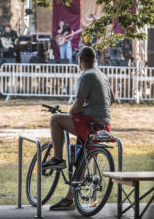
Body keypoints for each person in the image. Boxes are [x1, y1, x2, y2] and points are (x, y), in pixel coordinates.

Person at [41, 46, 115, 211]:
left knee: (55, 119)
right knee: (82, 158)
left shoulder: (86, 75)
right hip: (105, 125)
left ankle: (58, 158)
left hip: (90, 125)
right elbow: (112, 100)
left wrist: (70, 114)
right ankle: (70, 198)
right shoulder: (103, 76)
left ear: (81, 60)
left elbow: (78, 104)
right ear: (94, 60)